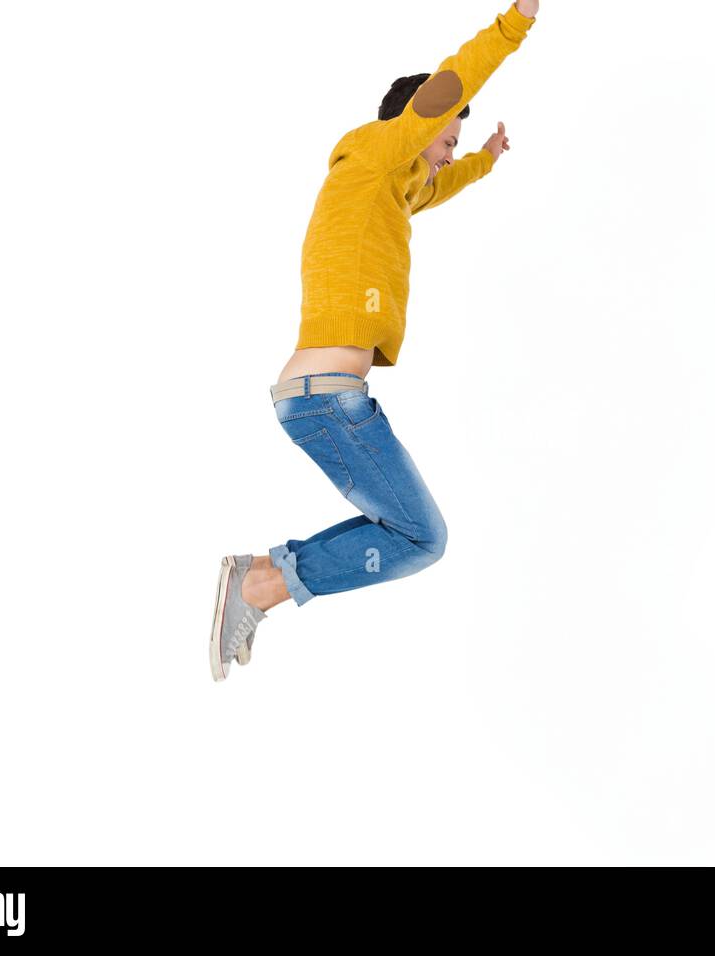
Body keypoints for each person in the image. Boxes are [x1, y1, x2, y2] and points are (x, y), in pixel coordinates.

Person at [210, 1, 542, 681]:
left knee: (414, 535)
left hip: (323, 396)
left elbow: (434, 187)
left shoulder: (389, 186)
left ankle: (264, 577)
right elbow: (457, 78)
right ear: (415, 122)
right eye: (446, 137)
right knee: (423, 538)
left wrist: (481, 162)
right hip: (327, 398)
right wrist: (517, 20)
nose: (446, 151)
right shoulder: (376, 150)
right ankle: (259, 585)